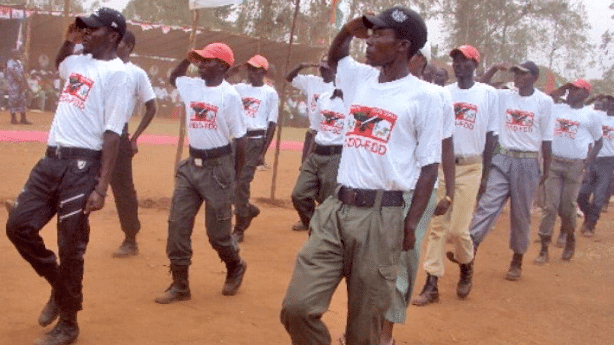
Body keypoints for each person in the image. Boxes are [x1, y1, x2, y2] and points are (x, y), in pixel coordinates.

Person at [280, 7, 442, 345]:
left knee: (363, 329)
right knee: (297, 307)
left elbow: (429, 168)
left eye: (380, 34)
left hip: (382, 218)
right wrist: (346, 30)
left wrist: (410, 224)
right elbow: (337, 57)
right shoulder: (360, 79)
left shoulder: (427, 97)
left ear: (402, 45)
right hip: (336, 209)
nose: (369, 40)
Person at [5, 8, 129, 345]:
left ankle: (69, 325)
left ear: (114, 36)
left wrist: (101, 188)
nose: (85, 32)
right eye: (84, 28)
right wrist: (68, 39)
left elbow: (113, 134)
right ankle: (61, 287)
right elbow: (62, 62)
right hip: (50, 161)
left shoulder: (119, 75)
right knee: (18, 226)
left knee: (70, 247)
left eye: (93, 29)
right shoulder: (77, 61)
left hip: (82, 166)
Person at [154, 43, 248, 304]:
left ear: (222, 66)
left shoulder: (229, 96)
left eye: (207, 61)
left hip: (218, 168)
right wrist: (187, 59)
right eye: (201, 60)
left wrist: (235, 179)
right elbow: (174, 78)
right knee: (177, 226)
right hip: (190, 167)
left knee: (217, 234)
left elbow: (240, 140)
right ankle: (180, 285)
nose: (201, 65)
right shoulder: (192, 86)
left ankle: (235, 265)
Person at [380, 43, 455, 345]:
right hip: (380, 190)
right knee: (368, 262)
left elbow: (446, 147)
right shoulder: (378, 89)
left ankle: (385, 334)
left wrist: (448, 191)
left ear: (418, 59)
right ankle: (363, 322)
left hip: (416, 191)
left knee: (400, 264)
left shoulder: (437, 96)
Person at [413, 45, 498, 305]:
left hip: (472, 167)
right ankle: (431, 284)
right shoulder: (444, 93)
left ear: (475, 64)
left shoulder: (488, 94)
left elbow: (491, 135)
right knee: (438, 227)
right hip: (444, 166)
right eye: (456, 61)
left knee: (460, 230)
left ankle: (466, 264)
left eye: (465, 60)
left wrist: (486, 175)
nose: (459, 65)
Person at [468, 61, 554, 281]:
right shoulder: (504, 96)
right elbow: (478, 85)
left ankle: (517, 259)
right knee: (487, 205)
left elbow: (546, 139)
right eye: (516, 73)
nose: (518, 77)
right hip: (503, 158)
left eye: (524, 74)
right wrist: (495, 69)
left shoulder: (544, 102)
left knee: (521, 214)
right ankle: (470, 250)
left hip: (527, 161)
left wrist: (546, 168)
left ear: (535, 77)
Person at [534, 80, 602, 263]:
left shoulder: (591, 116)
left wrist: (586, 162)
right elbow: (544, 100)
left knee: (568, 207)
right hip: (554, 164)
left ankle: (570, 238)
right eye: (570, 89)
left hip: (574, 166)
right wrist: (561, 89)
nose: (571, 92)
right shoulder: (557, 108)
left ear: (585, 94)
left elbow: (598, 141)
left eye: (576, 90)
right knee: (550, 207)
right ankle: (544, 248)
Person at [110, 30, 157, 258]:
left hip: (119, 135)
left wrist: (135, 137)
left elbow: (152, 107)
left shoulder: (136, 73)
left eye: (117, 41)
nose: (112, 44)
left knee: (123, 189)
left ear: (128, 46)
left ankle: (130, 239)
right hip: (93, 134)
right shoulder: (102, 67)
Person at [227, 55, 279, 242]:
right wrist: (232, 70)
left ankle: (239, 226)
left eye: (255, 69)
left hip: (255, 141)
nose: (250, 72)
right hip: (237, 140)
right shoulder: (240, 88)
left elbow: (272, 124)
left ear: (263, 72)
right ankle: (247, 210)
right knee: (229, 181)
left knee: (241, 182)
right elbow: (220, 83)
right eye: (249, 68)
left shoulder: (270, 93)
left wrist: (262, 153)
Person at [290, 76, 344, 233]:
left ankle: (324, 236)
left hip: (337, 156)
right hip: (316, 153)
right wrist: (307, 157)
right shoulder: (324, 98)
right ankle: (315, 229)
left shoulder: (355, 102)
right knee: (299, 195)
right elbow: (315, 130)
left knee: (328, 202)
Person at [286, 58, 335, 166]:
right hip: (312, 132)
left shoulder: (337, 87)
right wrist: (301, 66)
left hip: (328, 134)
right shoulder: (311, 81)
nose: (323, 72)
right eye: (321, 69)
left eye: (326, 69)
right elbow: (289, 78)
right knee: (305, 165)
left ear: (333, 70)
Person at [577, 94, 614, 237]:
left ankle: (590, 226)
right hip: (591, 159)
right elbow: (581, 107)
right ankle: (588, 216)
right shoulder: (597, 116)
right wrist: (593, 98)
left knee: (599, 198)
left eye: (612, 102)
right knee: (581, 194)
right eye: (607, 101)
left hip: (608, 162)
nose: (609, 104)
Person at [6, 48, 32, 124]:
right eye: (17, 54)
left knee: (22, 101)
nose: (19, 55)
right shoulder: (10, 63)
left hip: (20, 85)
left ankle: (23, 118)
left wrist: (25, 84)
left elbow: (22, 73)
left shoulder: (19, 62)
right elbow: (13, 74)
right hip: (13, 86)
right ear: (13, 55)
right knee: (13, 101)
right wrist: (20, 82)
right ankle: (13, 119)